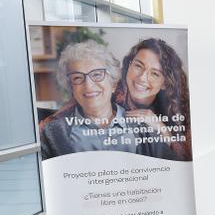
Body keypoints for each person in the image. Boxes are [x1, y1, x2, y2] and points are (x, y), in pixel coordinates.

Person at [39, 40, 169, 160]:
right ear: (71, 88)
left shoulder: (143, 126)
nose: (88, 85)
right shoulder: (51, 133)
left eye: (97, 75)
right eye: (77, 78)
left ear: (113, 84)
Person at [115, 38, 192, 161]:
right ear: (129, 65)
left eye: (155, 73)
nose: (142, 78)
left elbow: (188, 158)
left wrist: (162, 130)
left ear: (165, 83)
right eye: (138, 66)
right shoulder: (106, 93)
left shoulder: (178, 108)